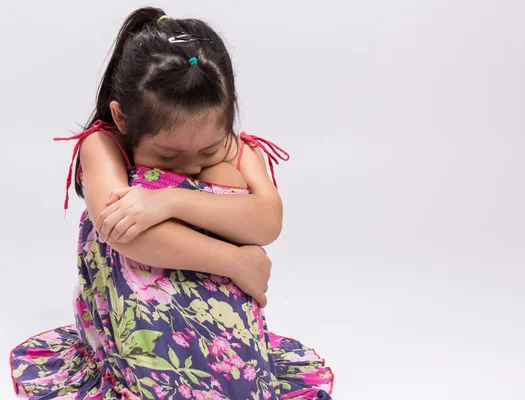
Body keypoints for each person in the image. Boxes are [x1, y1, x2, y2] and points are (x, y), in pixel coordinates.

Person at [10, 7, 334, 400]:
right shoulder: (104, 145)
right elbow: (122, 234)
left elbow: (267, 224)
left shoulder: (235, 149)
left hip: (215, 301)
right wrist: (236, 261)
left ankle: (225, 363)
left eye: (209, 148)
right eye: (168, 156)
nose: (193, 164)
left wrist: (169, 200)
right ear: (123, 118)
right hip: (138, 303)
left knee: (223, 179)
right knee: (136, 199)